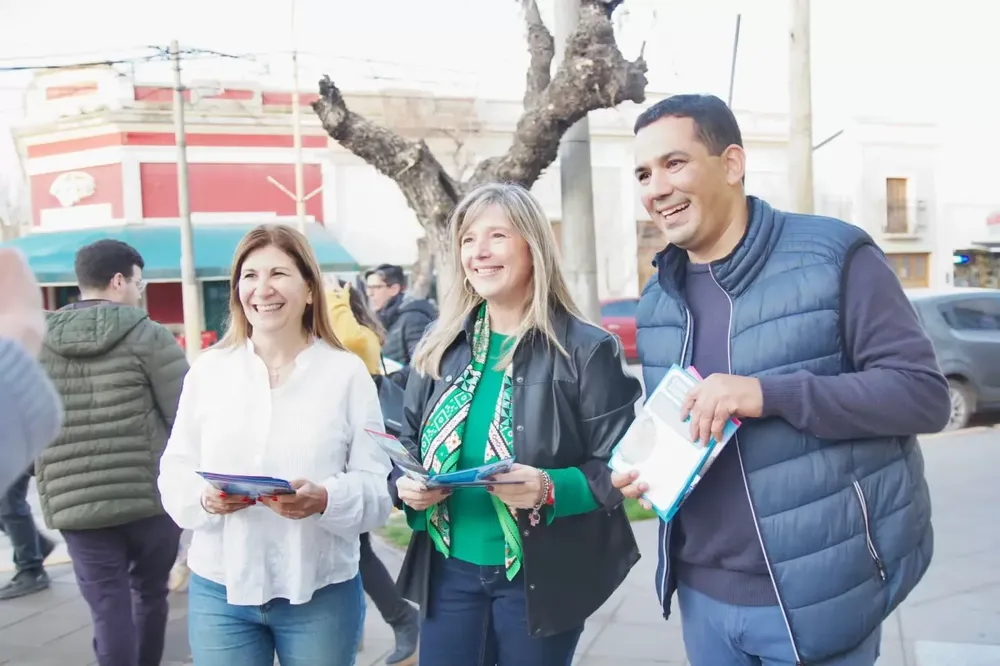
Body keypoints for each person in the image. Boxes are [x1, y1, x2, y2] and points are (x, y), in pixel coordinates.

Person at [613, 94, 951, 666]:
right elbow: (681, 425)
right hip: (702, 595)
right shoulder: (656, 301)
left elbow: (923, 396)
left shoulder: (834, 255)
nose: (656, 188)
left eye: (674, 164)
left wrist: (768, 394)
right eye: (644, 174)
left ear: (732, 164)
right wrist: (647, 469)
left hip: (821, 595)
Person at [393, 183, 643, 666]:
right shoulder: (440, 345)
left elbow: (623, 466)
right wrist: (407, 486)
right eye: (467, 239)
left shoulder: (587, 350)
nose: (479, 253)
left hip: (542, 578)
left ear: (533, 246)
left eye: (497, 236)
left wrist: (550, 487)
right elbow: (404, 441)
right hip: (448, 573)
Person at [157, 224, 393, 666]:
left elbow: (377, 490)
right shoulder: (208, 372)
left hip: (320, 592)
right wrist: (205, 499)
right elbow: (175, 470)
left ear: (309, 289)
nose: (262, 289)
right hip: (220, 591)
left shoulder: (346, 374)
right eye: (249, 275)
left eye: (278, 274)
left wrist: (325, 499)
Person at [34, 239, 187, 666]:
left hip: (76, 504)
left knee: (107, 608)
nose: (140, 291)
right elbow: (186, 416)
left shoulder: (38, 342)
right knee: (150, 595)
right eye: (139, 282)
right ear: (119, 280)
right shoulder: (149, 334)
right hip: (150, 498)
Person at [325, 278, 421, 665]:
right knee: (350, 549)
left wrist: (333, 297)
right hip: (338, 451)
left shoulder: (356, 338)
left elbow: (349, 339)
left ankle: (402, 619)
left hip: (353, 454)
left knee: (355, 548)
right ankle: (387, 622)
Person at [0, 248, 63, 599]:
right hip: (26, 423)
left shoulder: (36, 329)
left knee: (10, 503)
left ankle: (31, 567)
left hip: (31, 429)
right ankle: (35, 547)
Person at [365, 263, 437, 368]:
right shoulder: (378, 319)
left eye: (376, 287)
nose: (370, 293)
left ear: (394, 289)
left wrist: (391, 378)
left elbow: (422, 366)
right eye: (368, 287)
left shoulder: (414, 318)